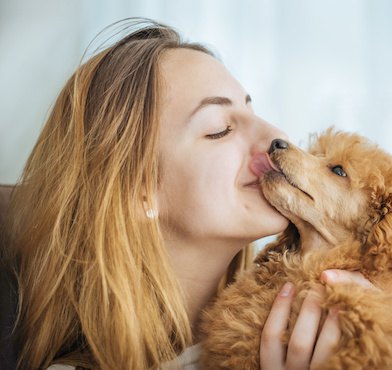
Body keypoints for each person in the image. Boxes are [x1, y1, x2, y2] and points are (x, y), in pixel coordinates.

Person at [5, 19, 373, 369]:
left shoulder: (334, 328)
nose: (276, 136)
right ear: (139, 193)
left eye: (252, 108)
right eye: (220, 129)